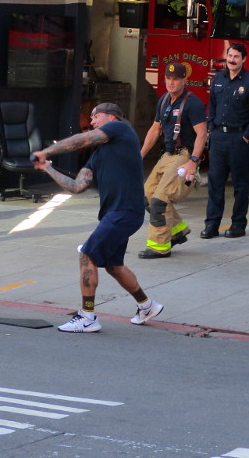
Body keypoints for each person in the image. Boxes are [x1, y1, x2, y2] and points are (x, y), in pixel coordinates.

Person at [32, 103, 164, 333]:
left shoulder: (121, 129)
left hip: (124, 211)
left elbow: (80, 140)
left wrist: (47, 152)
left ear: (111, 117)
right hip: (116, 214)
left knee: (87, 255)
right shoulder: (98, 156)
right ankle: (146, 305)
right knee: (113, 265)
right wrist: (48, 168)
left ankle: (87, 317)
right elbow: (77, 186)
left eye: (96, 116)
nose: (91, 121)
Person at [138, 62, 207, 259]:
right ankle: (177, 232)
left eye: (175, 79)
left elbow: (202, 134)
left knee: (160, 199)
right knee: (146, 196)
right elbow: (155, 130)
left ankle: (159, 247)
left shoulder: (193, 104)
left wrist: (193, 161)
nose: (170, 83)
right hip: (167, 155)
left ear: (184, 80)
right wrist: (140, 155)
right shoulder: (163, 100)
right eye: (168, 79)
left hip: (184, 156)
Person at [202, 43, 249, 239]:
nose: (232, 60)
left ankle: (238, 225)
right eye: (230, 56)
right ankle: (211, 225)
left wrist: (247, 135)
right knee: (215, 183)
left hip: (239, 139)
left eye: (236, 57)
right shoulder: (218, 79)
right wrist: (211, 128)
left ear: (243, 59)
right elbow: (212, 106)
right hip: (218, 138)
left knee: (240, 184)